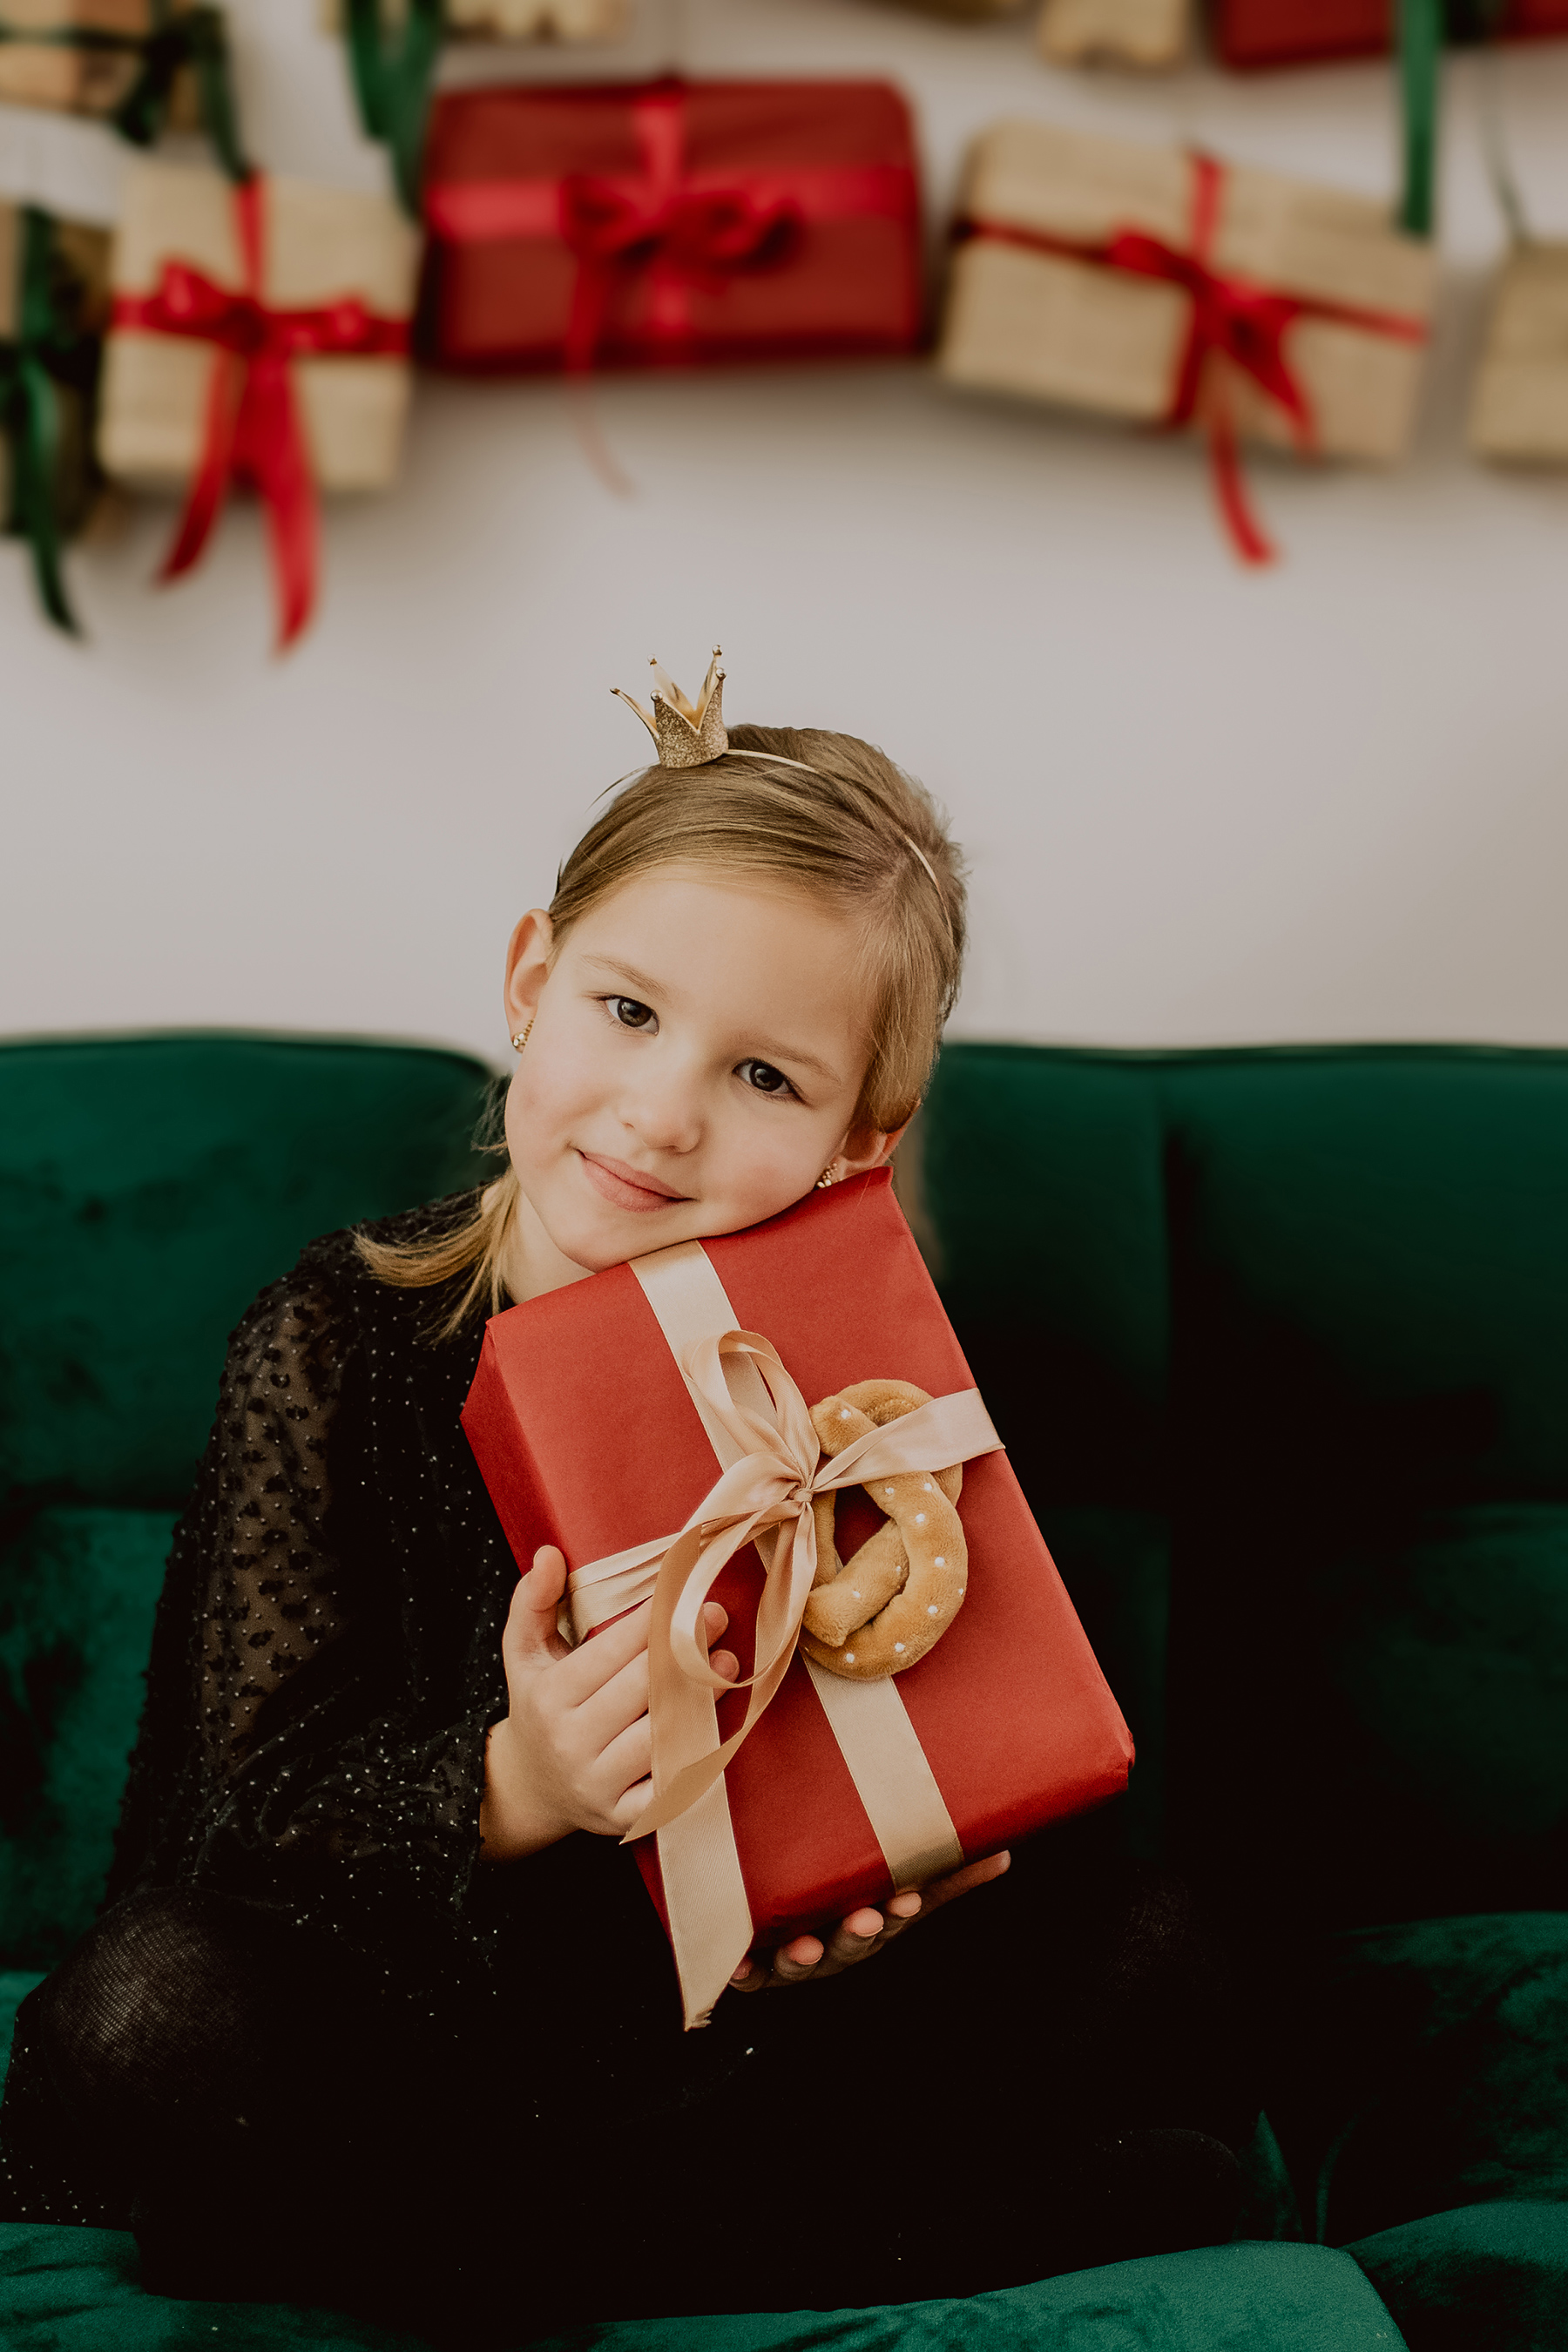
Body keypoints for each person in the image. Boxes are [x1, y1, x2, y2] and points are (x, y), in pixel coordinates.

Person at [0, 668, 1254, 2346]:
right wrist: (516, 1783)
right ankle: (815, 2226)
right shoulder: (336, 1335)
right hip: (403, 2005)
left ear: (859, 1142)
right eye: (630, 1013)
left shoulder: (852, 1388)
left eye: (766, 1080)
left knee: (1158, 1946)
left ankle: (533, 2244)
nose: (662, 1115)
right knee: (141, 2019)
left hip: (711, 2032)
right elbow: (250, 1813)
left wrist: (852, 1906)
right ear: (534, 980)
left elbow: (927, 1735)